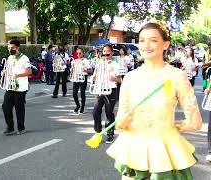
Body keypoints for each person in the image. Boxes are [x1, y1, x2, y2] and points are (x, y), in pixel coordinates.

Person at [106, 22, 202, 180]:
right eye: (142, 40)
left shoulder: (177, 76)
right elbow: (120, 123)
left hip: (164, 153)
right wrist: (122, 121)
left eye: (153, 40)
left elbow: (195, 122)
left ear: (166, 44)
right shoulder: (129, 77)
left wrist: (171, 128)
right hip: (133, 153)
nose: (146, 45)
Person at [2, 39, 32, 136]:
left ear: (17, 47)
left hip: (21, 88)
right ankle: (10, 128)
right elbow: (8, 69)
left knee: (19, 108)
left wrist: (18, 75)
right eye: (9, 48)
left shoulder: (24, 58)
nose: (10, 49)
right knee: (5, 107)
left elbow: (29, 72)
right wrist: (4, 72)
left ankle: (21, 128)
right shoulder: (10, 58)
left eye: (12, 47)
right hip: (10, 86)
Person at [93, 44, 121, 143]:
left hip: (111, 91)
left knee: (109, 113)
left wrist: (113, 78)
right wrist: (94, 76)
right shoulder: (99, 63)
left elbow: (121, 80)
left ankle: (110, 134)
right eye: (103, 53)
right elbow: (95, 75)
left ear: (112, 53)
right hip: (100, 90)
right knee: (96, 112)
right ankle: (98, 132)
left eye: (107, 53)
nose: (105, 55)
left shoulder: (115, 64)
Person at [70, 47, 91, 114]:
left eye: (80, 53)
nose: (78, 55)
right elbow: (72, 70)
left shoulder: (86, 61)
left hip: (83, 77)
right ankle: (78, 105)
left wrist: (86, 70)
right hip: (76, 78)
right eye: (77, 53)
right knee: (74, 93)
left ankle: (82, 107)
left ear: (83, 53)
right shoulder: (74, 61)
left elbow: (91, 70)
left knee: (82, 93)